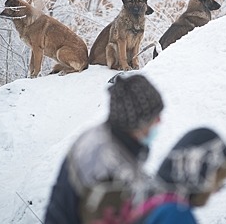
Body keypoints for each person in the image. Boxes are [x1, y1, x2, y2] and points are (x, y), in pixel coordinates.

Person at [44, 74, 164, 224]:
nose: (160, 121)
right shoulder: (105, 162)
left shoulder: (107, 136)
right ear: (135, 123)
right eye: (154, 117)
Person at [131, 127, 226, 223]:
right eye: (217, 182)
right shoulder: (176, 214)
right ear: (197, 175)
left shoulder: (147, 201)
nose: (217, 191)